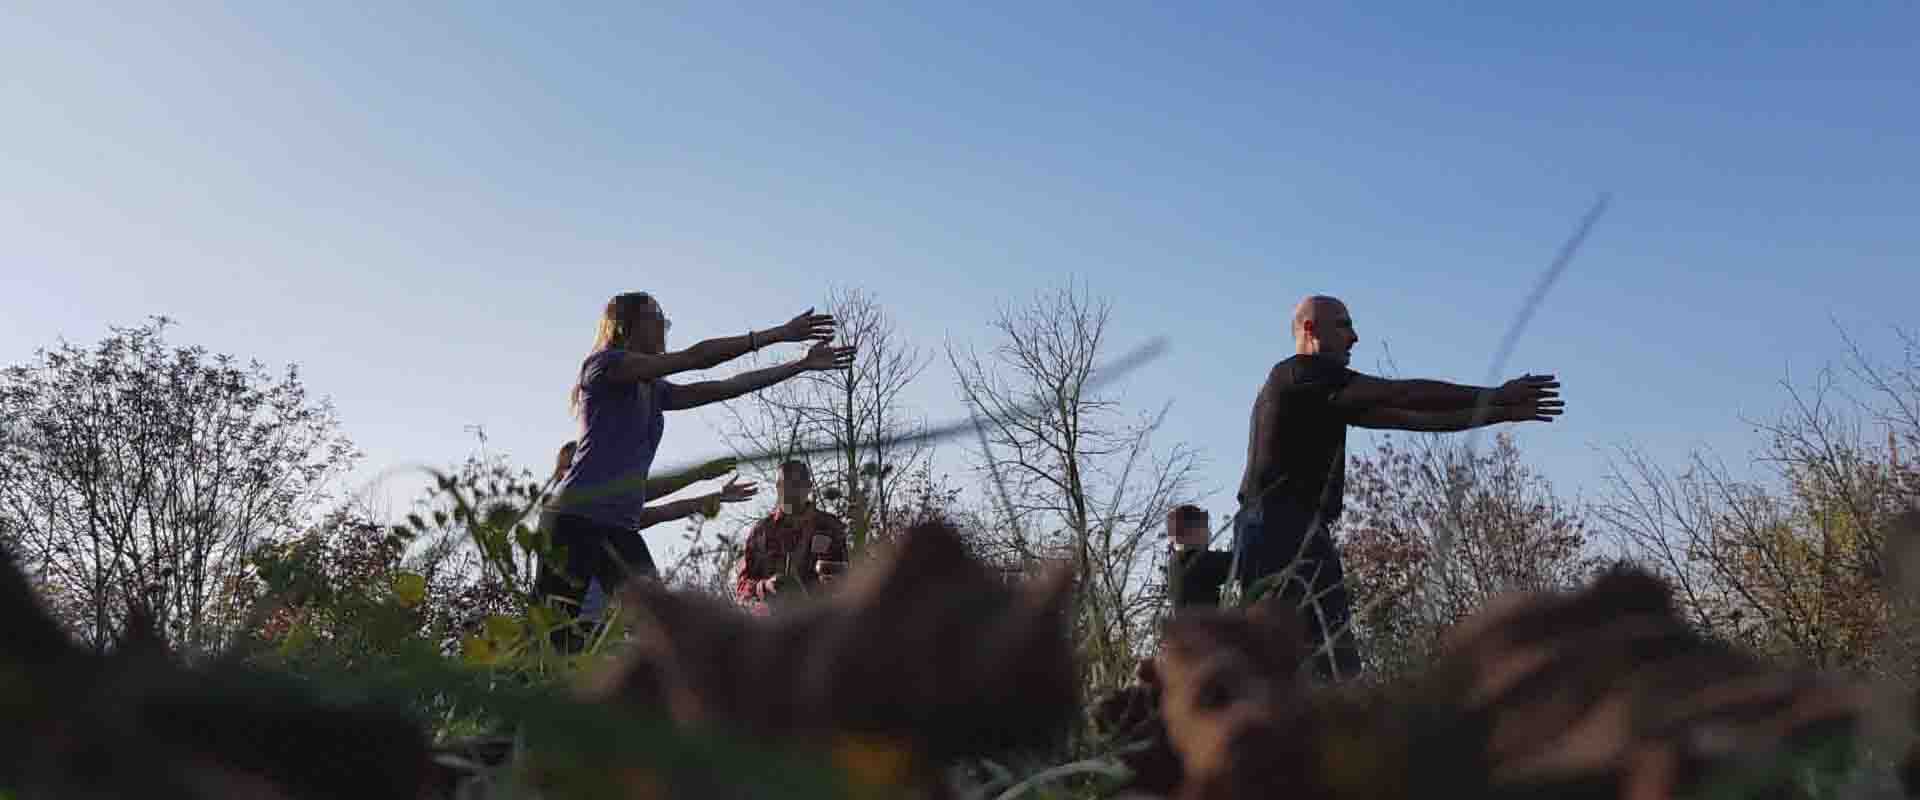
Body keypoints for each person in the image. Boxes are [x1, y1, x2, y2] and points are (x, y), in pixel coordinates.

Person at [1233, 294, 1564, 681]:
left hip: (1281, 528)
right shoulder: (1300, 372)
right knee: (1327, 666)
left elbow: (1409, 417)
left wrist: (1500, 412)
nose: (1354, 337)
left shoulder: (1314, 392)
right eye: (1343, 325)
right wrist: (1495, 395)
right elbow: (1399, 393)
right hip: (1282, 528)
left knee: (1303, 664)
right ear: (1310, 330)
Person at [537, 292, 855, 646]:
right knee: (553, 639)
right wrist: (778, 334)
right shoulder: (605, 366)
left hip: (617, 529)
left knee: (664, 629)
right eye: (656, 318)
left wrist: (799, 366)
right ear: (627, 325)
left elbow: (724, 387)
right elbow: (694, 359)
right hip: (573, 521)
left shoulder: (654, 390)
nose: (664, 326)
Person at [732, 460, 850, 616]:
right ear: (777, 487)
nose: (789, 490)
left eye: (795, 483)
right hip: (770, 626)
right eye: (783, 484)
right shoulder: (761, 531)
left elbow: (844, 581)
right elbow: (742, 587)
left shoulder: (829, 526)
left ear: (808, 486)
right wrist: (765, 587)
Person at [1165, 505, 1231, 614]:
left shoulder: (1178, 560)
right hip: (1200, 626)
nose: (1209, 533)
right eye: (1204, 528)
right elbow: (1243, 561)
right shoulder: (1199, 561)